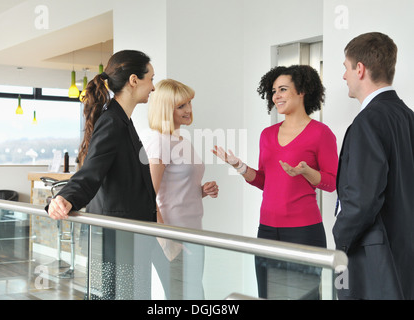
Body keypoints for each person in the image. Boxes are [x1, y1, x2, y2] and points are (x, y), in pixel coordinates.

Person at [213, 65, 338, 299]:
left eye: (282, 89)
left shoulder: (321, 133)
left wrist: (306, 172)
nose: (276, 96)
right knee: (268, 296)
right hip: (268, 229)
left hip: (304, 232)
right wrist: (238, 166)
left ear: (301, 91)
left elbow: (331, 183)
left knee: (304, 296)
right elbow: (263, 181)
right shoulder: (267, 135)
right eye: (273, 91)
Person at [46, 50, 157, 299]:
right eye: (150, 78)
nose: (153, 86)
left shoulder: (123, 120)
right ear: (133, 80)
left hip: (128, 237)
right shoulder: (113, 121)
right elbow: (91, 170)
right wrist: (66, 197)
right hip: (117, 238)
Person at [333, 32, 414, 300]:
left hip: (372, 260)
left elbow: (361, 200)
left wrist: (340, 241)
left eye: (346, 68)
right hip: (403, 254)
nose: (344, 76)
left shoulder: (367, 122)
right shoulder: (408, 117)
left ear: (360, 69)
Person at [142, 79, 219, 299]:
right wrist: (169, 242)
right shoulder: (159, 142)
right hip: (174, 236)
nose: (189, 110)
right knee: (182, 297)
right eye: (181, 106)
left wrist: (202, 190)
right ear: (166, 109)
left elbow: (178, 188)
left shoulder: (182, 141)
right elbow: (148, 198)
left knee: (195, 295)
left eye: (189, 103)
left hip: (193, 232)